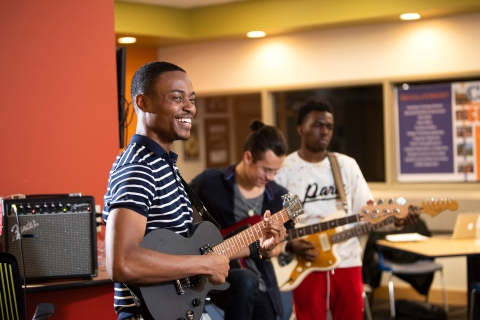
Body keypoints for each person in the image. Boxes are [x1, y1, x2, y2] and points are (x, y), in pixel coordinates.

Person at [102, 61, 285, 320]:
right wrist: (204, 264)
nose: (189, 107)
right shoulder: (138, 168)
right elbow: (122, 262)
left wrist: (257, 247)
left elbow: (193, 253)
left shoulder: (164, 165)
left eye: (191, 99)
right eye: (177, 98)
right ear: (143, 103)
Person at [274, 99, 419, 320]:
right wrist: (290, 245)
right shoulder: (284, 170)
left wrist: (396, 220)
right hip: (304, 264)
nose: (324, 131)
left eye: (329, 127)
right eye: (317, 125)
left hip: (347, 261)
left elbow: (367, 213)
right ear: (300, 128)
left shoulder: (346, 166)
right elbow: (273, 224)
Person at [190, 120, 290, 320]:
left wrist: (274, 247)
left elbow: (282, 242)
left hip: (261, 279)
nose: (271, 177)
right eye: (266, 170)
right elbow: (182, 210)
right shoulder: (211, 181)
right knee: (245, 281)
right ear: (248, 157)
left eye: (276, 171)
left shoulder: (279, 195)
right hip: (212, 274)